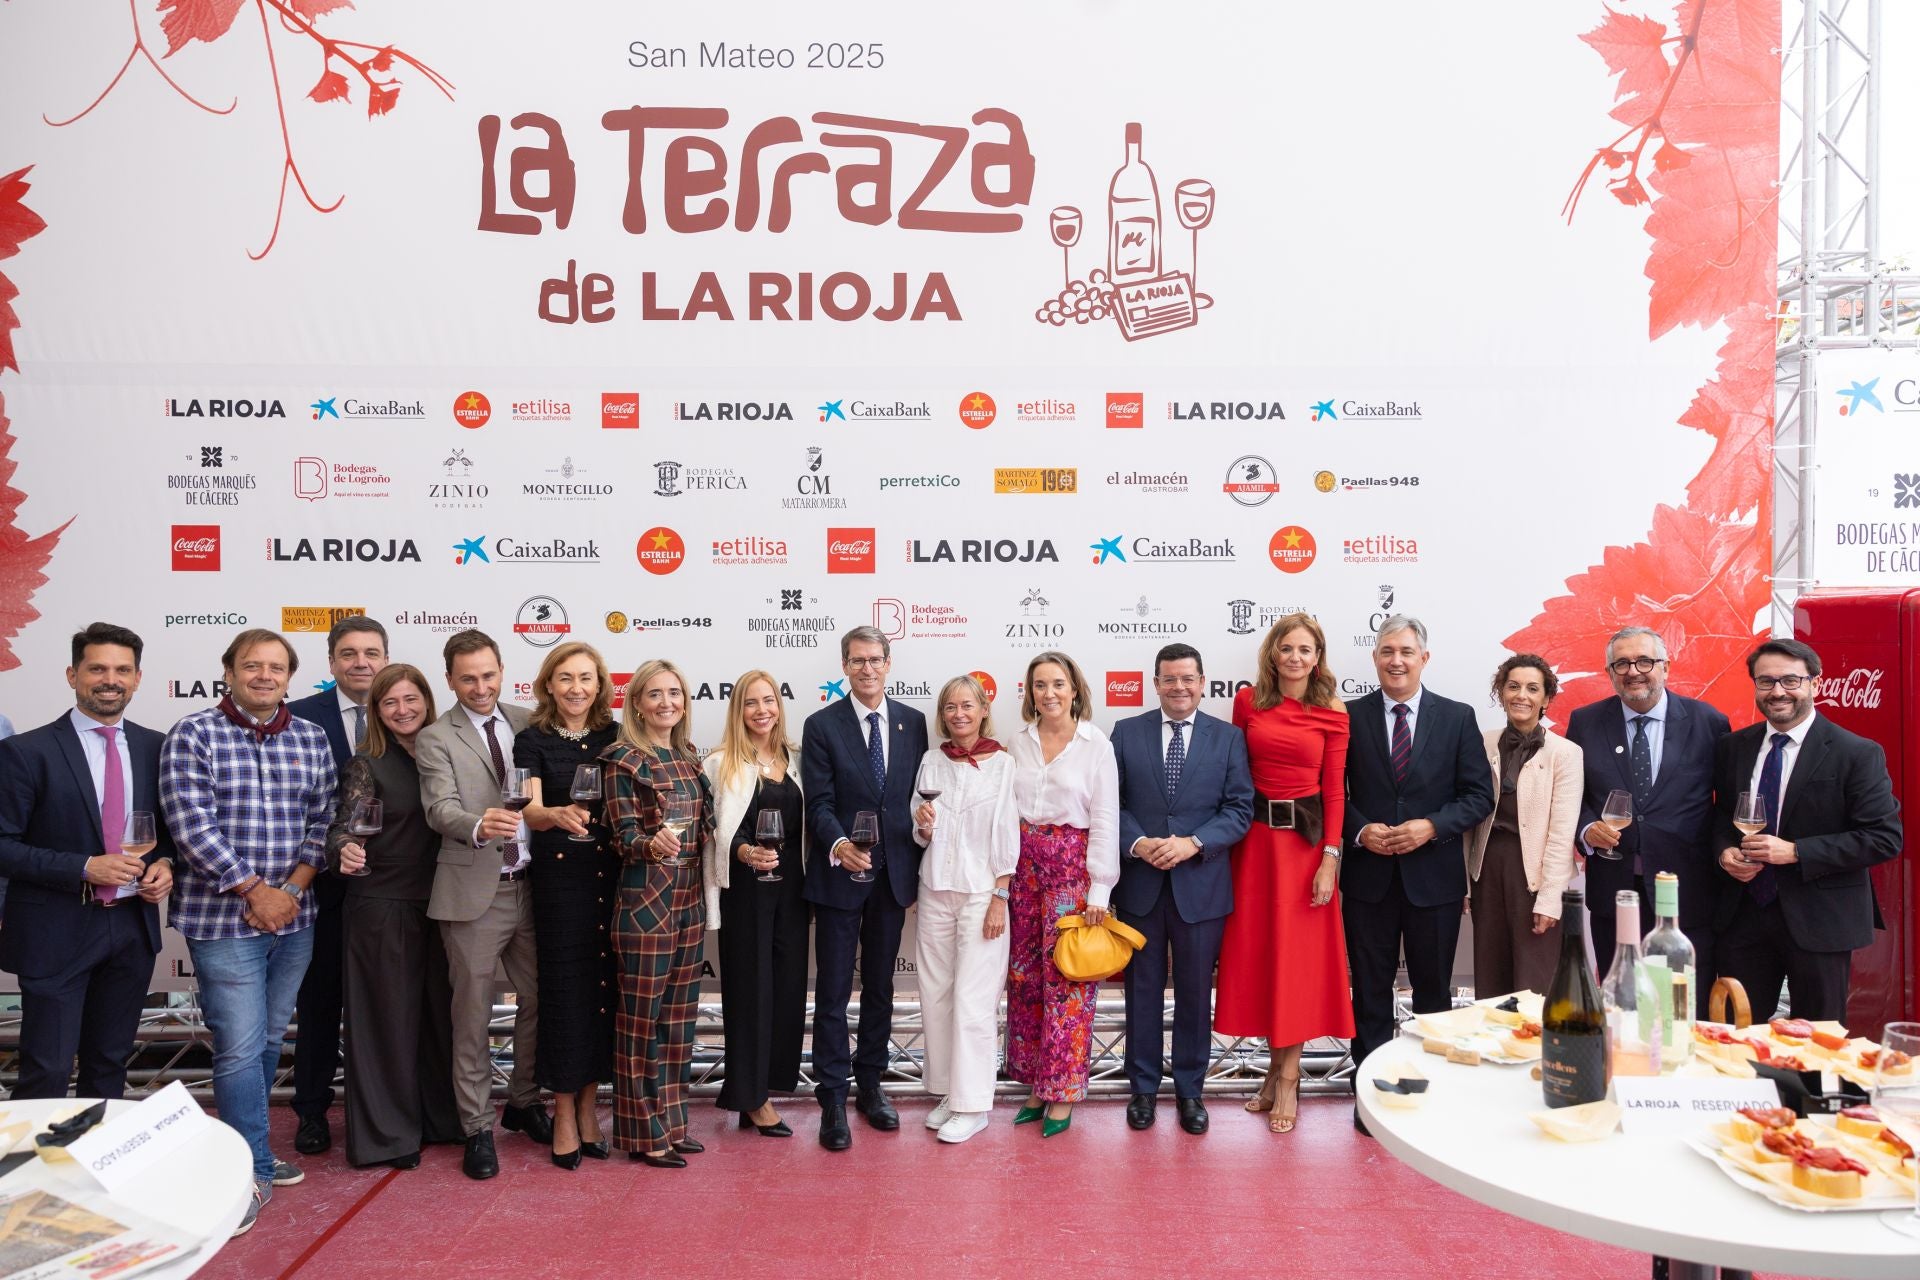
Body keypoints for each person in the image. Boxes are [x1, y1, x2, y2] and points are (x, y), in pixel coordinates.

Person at [159, 628, 335, 1237]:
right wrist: (253, 892)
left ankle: (248, 1151)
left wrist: (288, 893)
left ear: (291, 676)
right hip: (223, 919)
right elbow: (191, 826)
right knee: (238, 1045)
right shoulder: (194, 733)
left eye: (277, 667)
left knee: (263, 1044)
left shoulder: (312, 738)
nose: (264, 676)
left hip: (294, 917)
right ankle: (245, 1171)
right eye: (252, 666)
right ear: (228, 670)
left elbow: (325, 822)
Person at [0, 623, 174, 1101]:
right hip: (56, 931)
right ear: (72, 674)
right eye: (97, 668)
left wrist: (166, 866)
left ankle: (100, 1168)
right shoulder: (24, 752)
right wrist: (83, 867)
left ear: (138, 678)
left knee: (110, 1063)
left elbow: (167, 835)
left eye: (122, 670)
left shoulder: (156, 747)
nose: (109, 679)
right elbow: (3, 844)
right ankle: (35, 1174)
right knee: (48, 1069)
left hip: (131, 929)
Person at [1341, 615, 1493, 1133]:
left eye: (1407, 651)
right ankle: (1373, 1100)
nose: (1397, 660)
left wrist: (1432, 826)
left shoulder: (1457, 716)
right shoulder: (1349, 716)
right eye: (1387, 651)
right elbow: (1330, 794)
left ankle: (1434, 1094)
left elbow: (1479, 795)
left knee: (1435, 993)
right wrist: (1359, 831)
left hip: (1434, 880)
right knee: (1370, 991)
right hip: (1368, 878)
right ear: (1375, 658)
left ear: (1424, 658)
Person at [1712, 638, 1903, 1021]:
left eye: (1790, 681)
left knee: (1818, 1045)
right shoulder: (1733, 747)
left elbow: (1884, 838)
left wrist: (1797, 851)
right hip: (1744, 915)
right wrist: (1724, 851)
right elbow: (1720, 816)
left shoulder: (1856, 753)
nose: (1778, 691)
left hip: (1821, 920)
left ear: (1814, 683)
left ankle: (1811, 1087)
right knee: (1738, 1038)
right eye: (1766, 681)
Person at [416, 629, 548, 1181]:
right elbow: (439, 809)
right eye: (467, 678)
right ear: (449, 680)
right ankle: (476, 1127)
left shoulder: (527, 722)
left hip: (533, 887)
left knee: (540, 1001)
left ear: (501, 671)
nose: (480, 687)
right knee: (471, 1016)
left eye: (488, 675)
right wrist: (476, 825)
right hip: (474, 893)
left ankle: (523, 1100)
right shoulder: (434, 737)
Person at [1213, 614, 1352, 1135]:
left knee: (1296, 964)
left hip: (1304, 850)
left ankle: (1290, 1077)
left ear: (1318, 657)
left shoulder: (1333, 711)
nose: (1296, 657)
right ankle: (1274, 1070)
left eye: (1306, 649)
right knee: (1265, 960)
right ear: (1273, 654)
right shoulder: (1249, 702)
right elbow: (1236, 776)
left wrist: (1330, 859)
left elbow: (1335, 791)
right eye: (1287, 648)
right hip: (1253, 848)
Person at [1112, 643, 1254, 1135]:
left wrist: (1194, 843)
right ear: (1156, 683)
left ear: (1202, 681)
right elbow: (1112, 804)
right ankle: (1143, 1090)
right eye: (1169, 679)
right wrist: (1138, 843)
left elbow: (1240, 809)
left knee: (1196, 993)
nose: (1178, 687)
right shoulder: (1126, 734)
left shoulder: (1229, 739)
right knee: (1142, 991)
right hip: (1141, 885)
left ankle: (1192, 1090)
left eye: (1187, 678)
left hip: (1202, 886)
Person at [324, 664, 461, 1169]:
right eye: (390, 703)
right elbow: (342, 827)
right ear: (377, 712)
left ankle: (440, 1121)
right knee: (385, 1023)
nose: (403, 710)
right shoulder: (369, 763)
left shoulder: (443, 753)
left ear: (427, 700)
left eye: (411, 700)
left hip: (443, 904)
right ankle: (387, 1136)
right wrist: (345, 850)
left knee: (436, 1020)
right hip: (382, 906)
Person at [801, 626, 929, 1151]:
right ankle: (832, 1095)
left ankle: (871, 1085)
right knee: (831, 992)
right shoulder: (820, 725)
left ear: (889, 662)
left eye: (875, 659)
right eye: (857, 661)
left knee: (880, 987)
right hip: (838, 876)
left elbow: (918, 795)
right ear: (844, 666)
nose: (867, 669)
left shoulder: (914, 722)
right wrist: (837, 845)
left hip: (894, 876)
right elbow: (818, 802)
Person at [1564, 625, 1729, 1010]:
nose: (1633, 671)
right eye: (1621, 663)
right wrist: (1588, 828)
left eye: (1644, 661)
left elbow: (1725, 805)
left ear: (1666, 667)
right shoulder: (1585, 722)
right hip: (1615, 888)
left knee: (1683, 1004)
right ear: (1609, 672)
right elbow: (1572, 796)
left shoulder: (1709, 722)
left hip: (1686, 891)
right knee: (1622, 1001)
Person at [602, 659, 713, 1168]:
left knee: (679, 1017)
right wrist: (651, 843)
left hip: (690, 893)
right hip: (645, 899)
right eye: (654, 694)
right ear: (636, 704)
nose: (666, 702)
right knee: (640, 1021)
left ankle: (672, 1121)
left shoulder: (690, 757)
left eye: (675, 692)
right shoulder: (623, 759)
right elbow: (623, 839)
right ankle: (643, 1133)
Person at [286, 614, 389, 1157]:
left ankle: (386, 1112)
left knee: (388, 1007)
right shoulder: (297, 717)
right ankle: (311, 1113)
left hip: (393, 890)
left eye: (371, 653)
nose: (361, 663)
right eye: (349, 654)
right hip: (317, 888)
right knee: (320, 1004)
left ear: (386, 659)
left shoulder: (408, 716)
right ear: (331, 664)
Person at [514, 641, 619, 1168]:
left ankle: (588, 1106)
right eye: (565, 678)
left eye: (586, 678)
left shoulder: (616, 736)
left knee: (603, 991)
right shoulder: (532, 739)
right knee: (562, 992)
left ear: (600, 685)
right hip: (558, 881)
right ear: (548, 685)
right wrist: (559, 816)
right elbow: (529, 810)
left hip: (611, 877)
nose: (576, 688)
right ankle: (560, 1108)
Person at [1004, 650, 1118, 1137]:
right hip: (1022, 868)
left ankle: (1063, 1093)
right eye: (1039, 686)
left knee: (1069, 982)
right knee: (1026, 980)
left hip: (1073, 870)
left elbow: (1107, 819)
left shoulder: (1097, 745)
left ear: (1075, 689)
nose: (1048, 694)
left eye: (1057, 684)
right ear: (1029, 693)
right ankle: (1035, 1082)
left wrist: (1101, 889)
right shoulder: (1018, 741)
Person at [910, 675, 1017, 1144]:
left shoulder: (1003, 764)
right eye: (950, 706)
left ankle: (974, 1105)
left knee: (975, 1001)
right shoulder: (931, 760)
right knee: (935, 994)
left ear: (983, 710)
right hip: (934, 887)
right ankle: (948, 1091)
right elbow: (918, 831)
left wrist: (1001, 895)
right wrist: (922, 825)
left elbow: (1008, 833)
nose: (959, 714)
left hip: (981, 893)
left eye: (967, 705)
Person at [702, 670, 807, 1139]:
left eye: (770, 700)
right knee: (750, 994)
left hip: (791, 891)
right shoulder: (722, 763)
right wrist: (745, 853)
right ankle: (751, 1099)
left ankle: (767, 1086)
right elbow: (718, 833)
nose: (762, 710)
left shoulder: (795, 759)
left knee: (785, 990)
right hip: (746, 893)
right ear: (737, 710)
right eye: (751, 702)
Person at [1465, 653, 1584, 997]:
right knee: (1491, 975)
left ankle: (1539, 1050)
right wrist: (1466, 883)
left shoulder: (1566, 753)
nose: (1522, 695)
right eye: (1513, 686)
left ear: (1546, 699)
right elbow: (1468, 822)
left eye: (1533, 689)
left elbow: (1563, 833)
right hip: (1487, 869)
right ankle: (1495, 1049)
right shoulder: (1481, 743)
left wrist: (1549, 899)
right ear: (1501, 691)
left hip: (1535, 872)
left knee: (1536, 980)